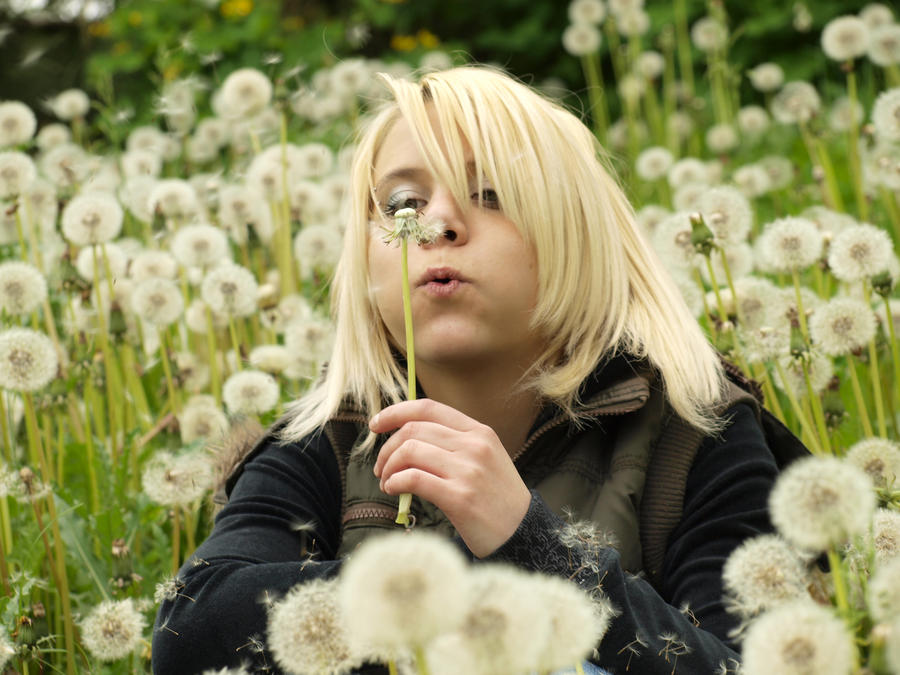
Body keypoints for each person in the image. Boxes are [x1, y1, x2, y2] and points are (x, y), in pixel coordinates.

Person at [152, 66, 778, 674]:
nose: (435, 224)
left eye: (490, 195)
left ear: (578, 234)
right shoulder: (332, 433)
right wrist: (437, 592)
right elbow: (190, 633)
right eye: (402, 201)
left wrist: (531, 541)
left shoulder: (694, 432)